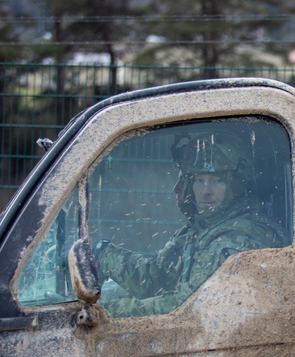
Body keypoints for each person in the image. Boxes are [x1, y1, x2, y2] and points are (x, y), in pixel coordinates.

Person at [95, 128, 284, 317]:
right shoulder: (204, 227)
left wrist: (107, 312)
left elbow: (187, 306)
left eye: (217, 181)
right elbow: (155, 279)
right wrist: (103, 254)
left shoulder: (238, 236)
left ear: (235, 185)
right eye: (199, 180)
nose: (206, 191)